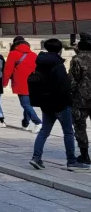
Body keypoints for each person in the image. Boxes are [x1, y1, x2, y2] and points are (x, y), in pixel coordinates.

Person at [29, 38, 88, 171]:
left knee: (44, 131)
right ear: (60, 50)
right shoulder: (58, 65)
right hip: (60, 104)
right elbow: (65, 85)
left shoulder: (40, 63)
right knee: (68, 132)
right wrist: (69, 100)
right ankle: (71, 161)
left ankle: (36, 157)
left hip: (46, 103)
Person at [2, 36, 41, 133]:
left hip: (21, 82)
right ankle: (25, 123)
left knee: (25, 104)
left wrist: (4, 82)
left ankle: (37, 122)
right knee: (28, 104)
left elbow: (7, 70)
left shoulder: (13, 54)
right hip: (33, 82)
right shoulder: (33, 54)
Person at [70, 33, 91, 165]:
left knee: (80, 126)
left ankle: (85, 155)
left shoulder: (77, 59)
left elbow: (73, 80)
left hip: (81, 99)